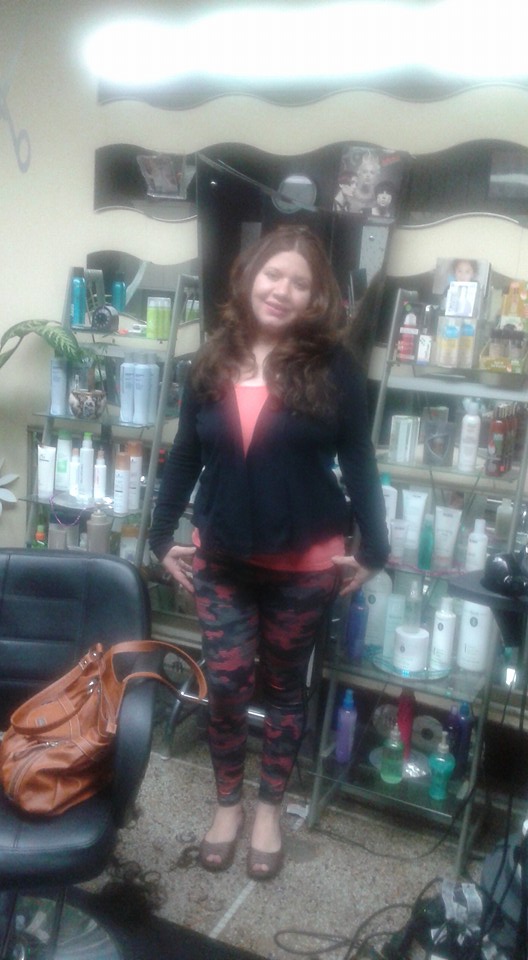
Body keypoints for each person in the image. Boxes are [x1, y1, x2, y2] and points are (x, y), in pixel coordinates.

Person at [149, 225, 389, 881]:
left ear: (316, 297)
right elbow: (186, 452)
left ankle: (268, 811)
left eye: (300, 283)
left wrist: (376, 548)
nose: (282, 290)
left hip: (304, 565)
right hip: (222, 559)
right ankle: (228, 804)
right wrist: (159, 534)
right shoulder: (214, 358)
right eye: (273, 274)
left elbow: (359, 459)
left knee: (285, 690)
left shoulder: (333, 367)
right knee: (227, 684)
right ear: (250, 276)